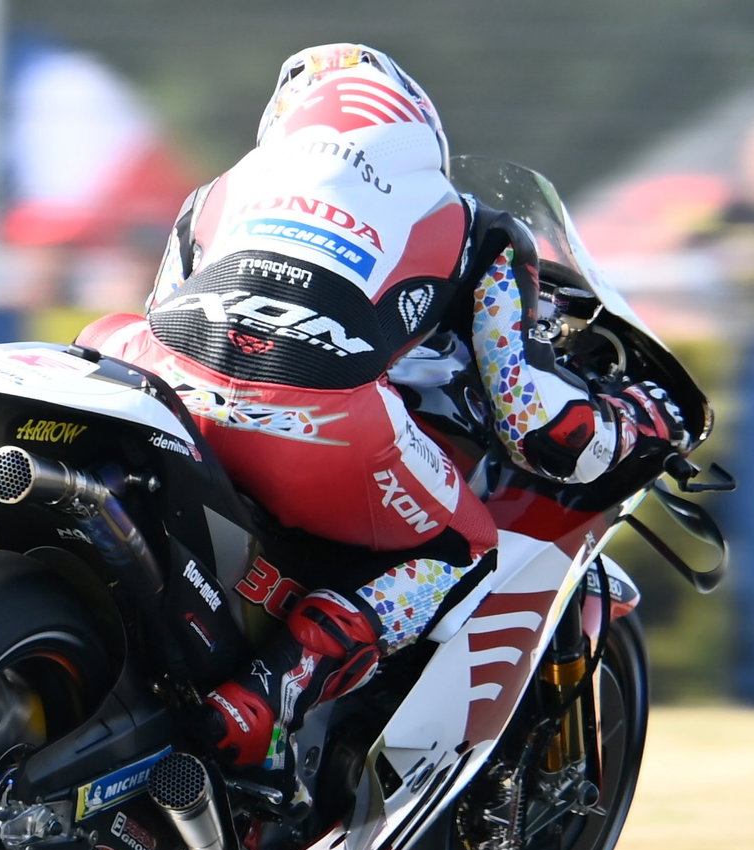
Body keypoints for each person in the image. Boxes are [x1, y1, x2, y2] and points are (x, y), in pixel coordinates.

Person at [75, 43, 687, 811]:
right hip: (319, 419)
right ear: (420, 133)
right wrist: (638, 420)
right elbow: (534, 425)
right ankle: (275, 689)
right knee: (462, 549)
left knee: (105, 339)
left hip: (168, 379)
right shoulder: (480, 229)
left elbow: (176, 307)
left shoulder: (217, 192)